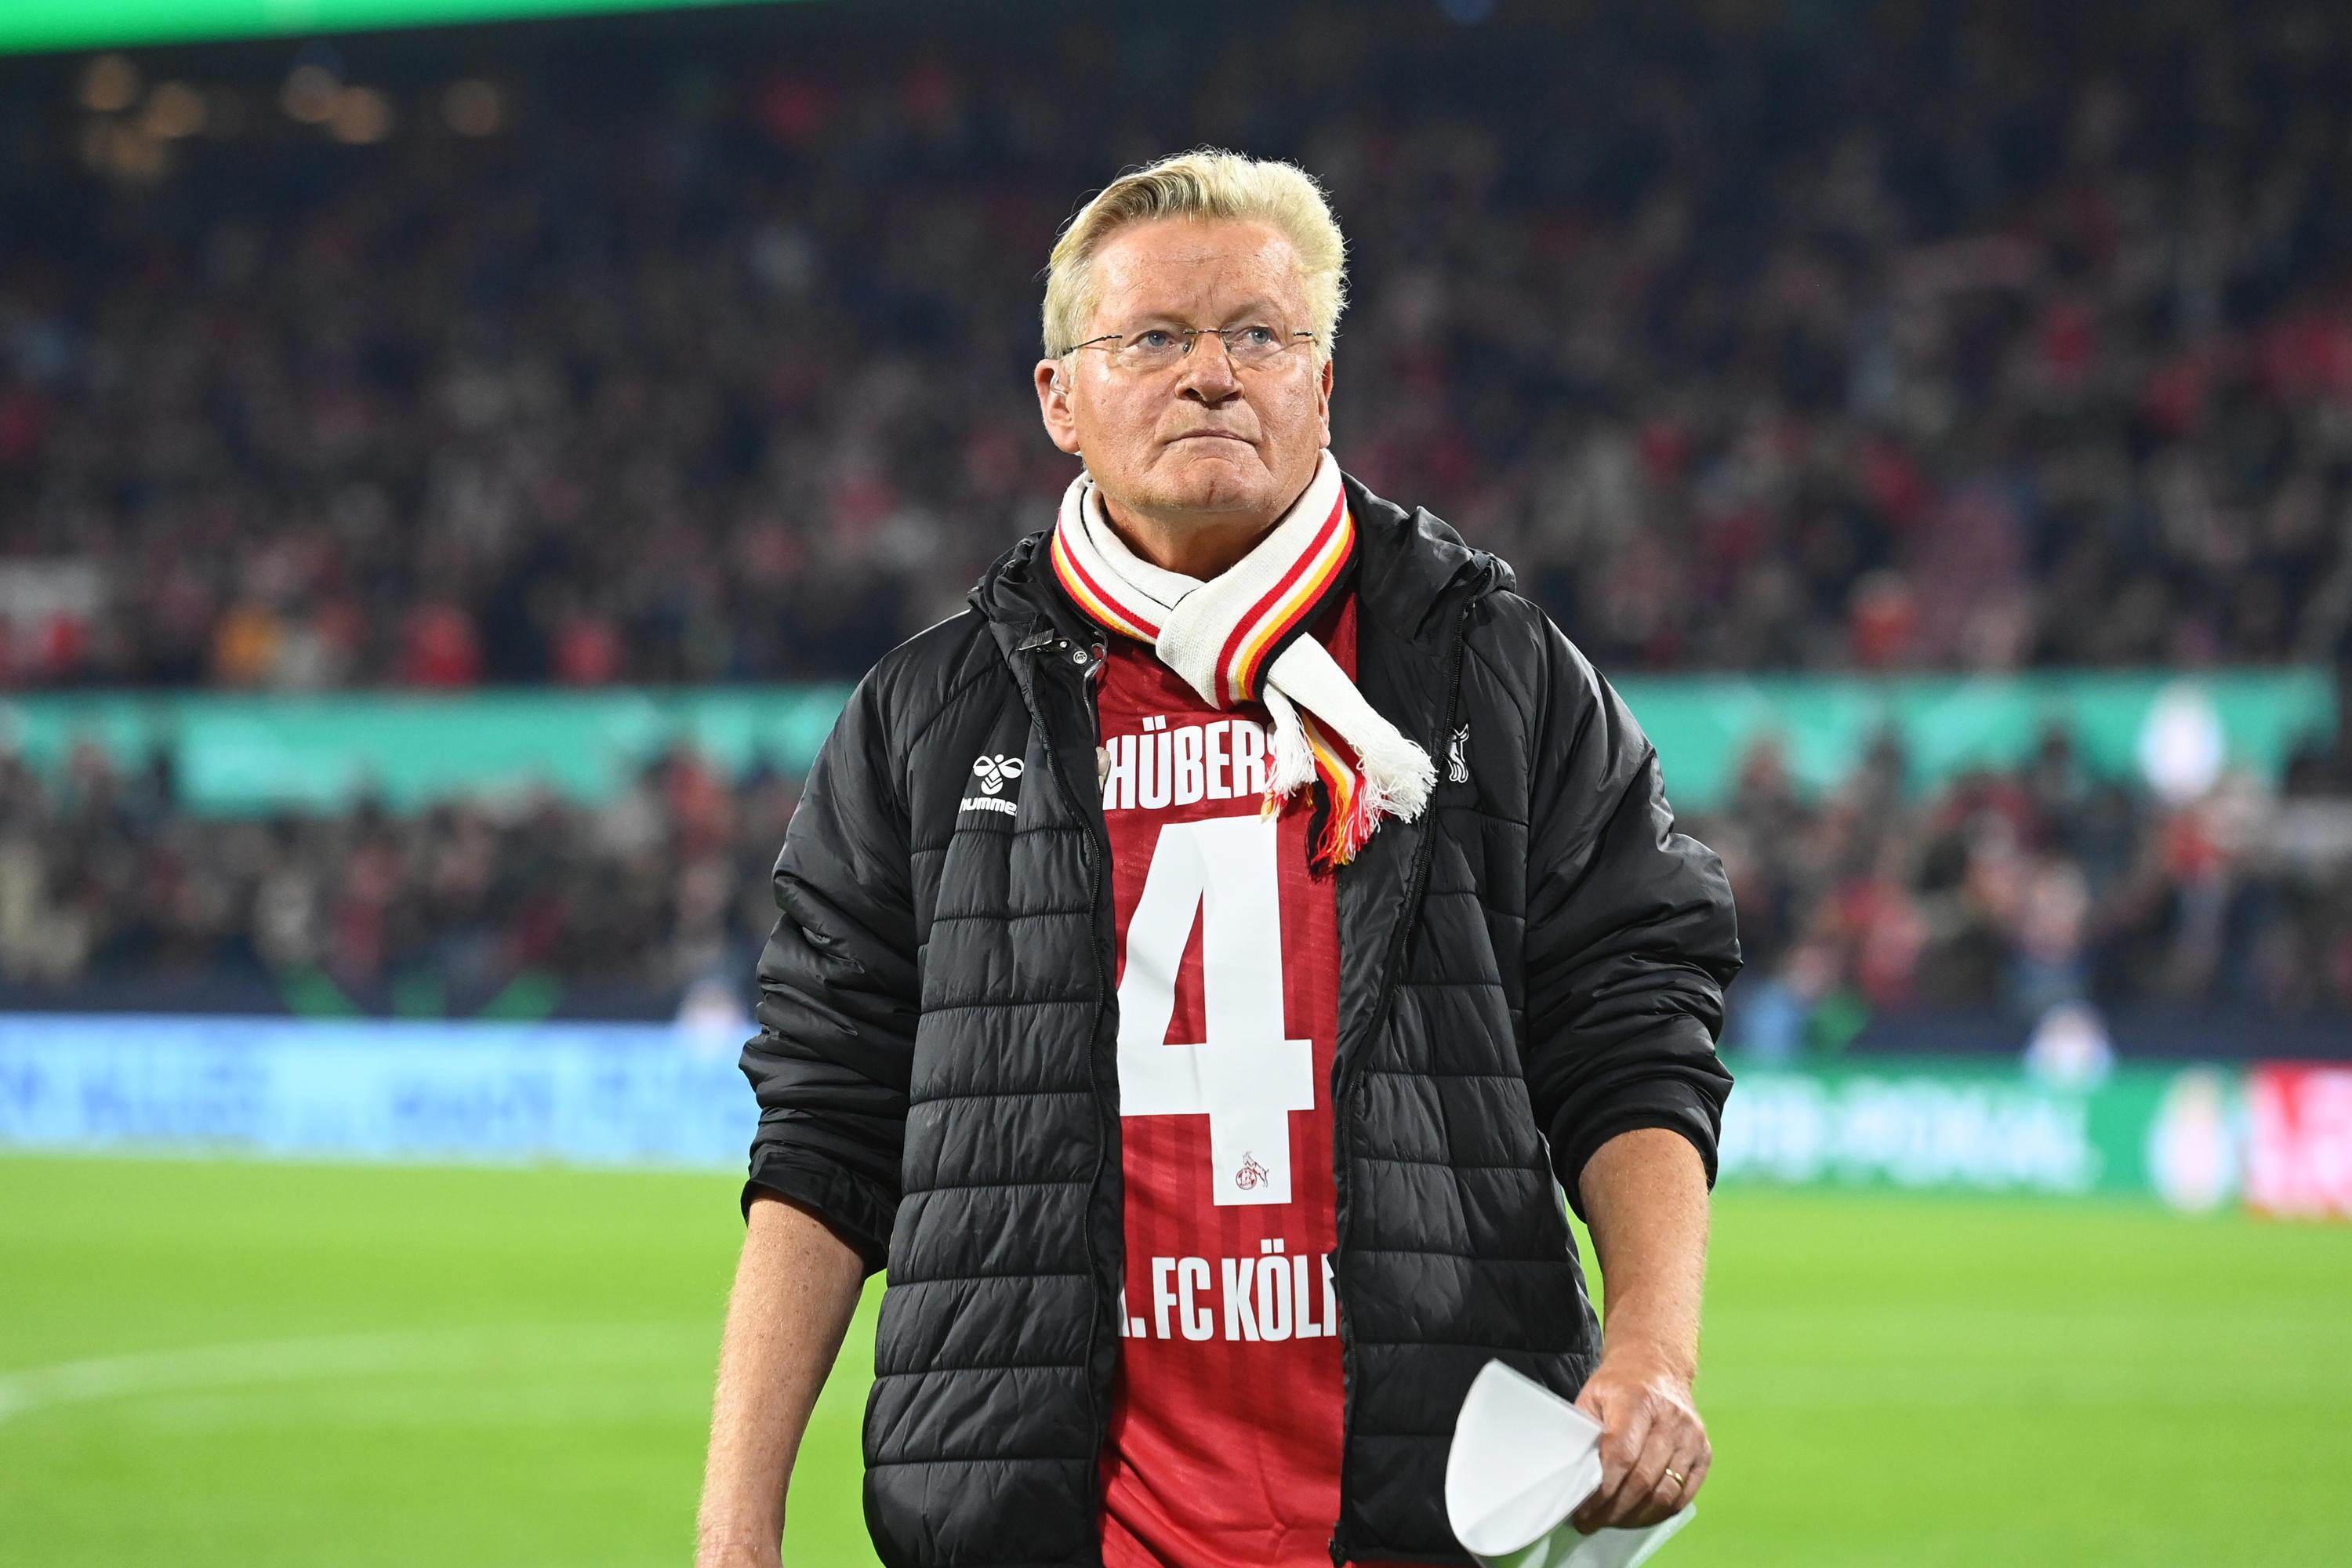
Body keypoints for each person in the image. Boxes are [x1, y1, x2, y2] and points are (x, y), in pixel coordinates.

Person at [695, 149, 1741, 1568]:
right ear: (1059, 400)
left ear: (1324, 384)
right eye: (1152, 339)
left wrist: (1655, 1352)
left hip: (1421, 1527)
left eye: (1260, 335)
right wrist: (736, 1529)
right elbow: (828, 1128)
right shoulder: (924, 723)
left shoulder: (1490, 670)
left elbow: (1632, 1024)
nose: (1211, 376)